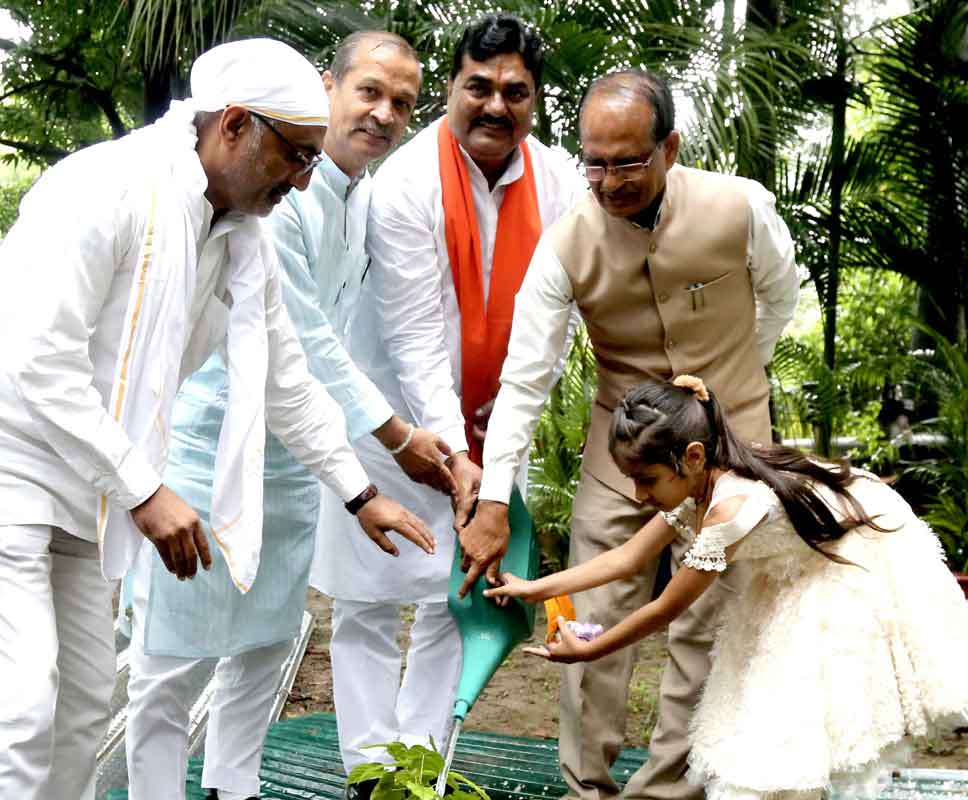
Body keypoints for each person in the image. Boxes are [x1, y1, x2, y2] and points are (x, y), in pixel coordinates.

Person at [0, 38, 434, 800]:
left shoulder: (242, 235)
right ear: (233, 124)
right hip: (15, 470)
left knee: (80, 706)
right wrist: (144, 488)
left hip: (86, 493)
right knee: (23, 708)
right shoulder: (105, 188)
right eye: (295, 157)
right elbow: (37, 362)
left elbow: (286, 378)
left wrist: (359, 493)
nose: (303, 182)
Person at [461, 69, 800, 800]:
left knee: (704, 625)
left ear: (669, 147)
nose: (608, 181)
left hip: (732, 451)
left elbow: (780, 295)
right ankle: (587, 787)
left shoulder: (741, 207)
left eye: (627, 161)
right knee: (590, 622)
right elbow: (526, 379)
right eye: (594, 162)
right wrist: (493, 500)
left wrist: (738, 380)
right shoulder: (563, 246)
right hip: (621, 454)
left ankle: (668, 791)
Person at [309, 14, 581, 796]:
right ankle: (369, 769)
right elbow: (414, 332)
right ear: (455, 89)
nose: (496, 105)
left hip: (494, 421)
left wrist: (494, 448)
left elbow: (549, 323)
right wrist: (453, 454)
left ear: (534, 100)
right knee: (365, 598)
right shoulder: (405, 183)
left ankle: (422, 766)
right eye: (479, 87)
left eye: (516, 92)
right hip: (390, 420)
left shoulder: (559, 180)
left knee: (451, 595)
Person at [486, 375, 968, 800]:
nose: (639, 494)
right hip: (795, 567)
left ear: (694, 456)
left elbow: (664, 608)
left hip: (854, 566)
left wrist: (589, 651)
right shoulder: (697, 485)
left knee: (806, 718)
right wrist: (534, 588)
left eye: (648, 478)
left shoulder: (729, 509)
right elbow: (628, 557)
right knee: (759, 721)